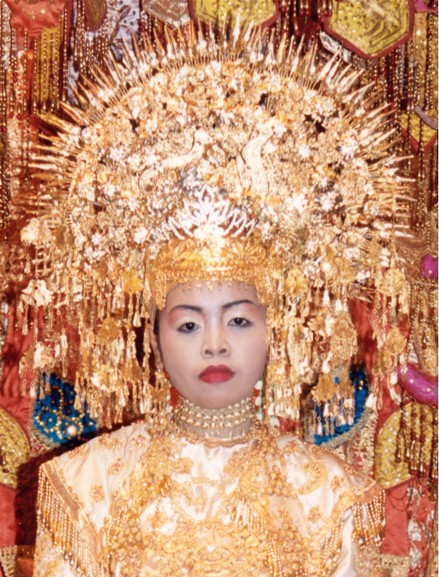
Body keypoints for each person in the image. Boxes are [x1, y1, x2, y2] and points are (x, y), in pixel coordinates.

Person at [22, 28, 409, 577]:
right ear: (153, 336)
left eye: (239, 318)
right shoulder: (88, 482)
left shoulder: (326, 493)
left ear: (276, 329)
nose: (215, 343)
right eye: (187, 326)